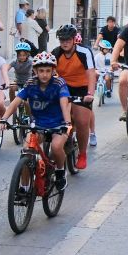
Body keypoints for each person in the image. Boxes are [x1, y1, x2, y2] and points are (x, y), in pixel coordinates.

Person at [0, 52, 72, 192]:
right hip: (38, 125)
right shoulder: (30, 83)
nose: (44, 74)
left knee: (57, 147)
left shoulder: (59, 83)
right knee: (27, 152)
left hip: (58, 124)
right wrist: (4, 118)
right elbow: (16, 102)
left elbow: (64, 103)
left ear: (53, 71)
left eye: (47, 71)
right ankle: (25, 187)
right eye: (41, 71)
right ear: (35, 71)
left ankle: (60, 171)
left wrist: (67, 123)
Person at [50, 24, 96, 170]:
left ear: (74, 39)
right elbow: (47, 73)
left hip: (82, 89)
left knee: (82, 121)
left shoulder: (84, 52)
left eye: (68, 39)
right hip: (63, 88)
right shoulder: (56, 53)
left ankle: (82, 153)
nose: (65, 42)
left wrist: (90, 94)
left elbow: (91, 73)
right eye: (62, 40)